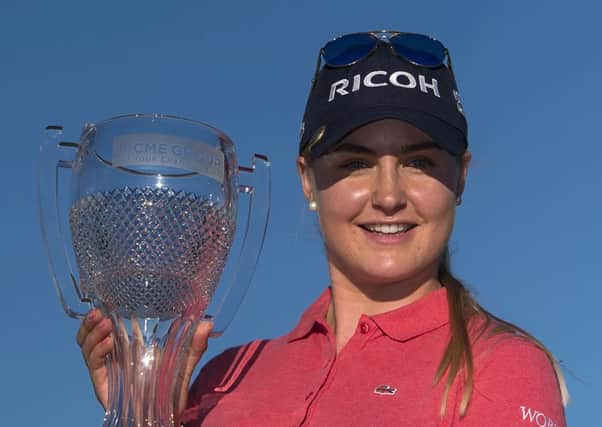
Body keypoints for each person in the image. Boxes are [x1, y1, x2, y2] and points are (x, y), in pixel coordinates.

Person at [77, 31, 569, 426]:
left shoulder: (501, 367)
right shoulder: (223, 377)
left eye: (420, 161)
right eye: (355, 163)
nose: (389, 194)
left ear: (459, 177)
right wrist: (142, 414)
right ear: (308, 180)